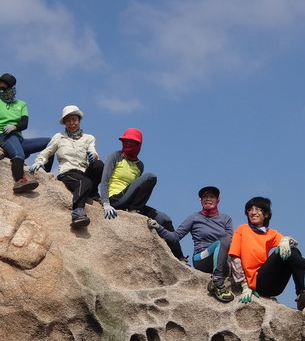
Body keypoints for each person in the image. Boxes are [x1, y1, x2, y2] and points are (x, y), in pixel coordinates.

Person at [227, 196, 305, 311]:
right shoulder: (242, 229)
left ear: (266, 214)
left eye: (258, 209)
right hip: (255, 283)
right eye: (250, 209)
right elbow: (235, 258)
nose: (253, 212)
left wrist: (286, 240)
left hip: (274, 285)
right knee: (282, 251)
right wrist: (244, 285)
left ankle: (301, 294)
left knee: (292, 249)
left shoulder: (270, 233)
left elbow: (292, 244)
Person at [97, 128, 181, 257]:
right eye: (126, 141)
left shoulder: (139, 165)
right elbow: (104, 180)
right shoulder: (115, 156)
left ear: (138, 145)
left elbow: (139, 189)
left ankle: (180, 257)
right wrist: (105, 202)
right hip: (115, 198)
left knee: (164, 219)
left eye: (131, 142)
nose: (128, 144)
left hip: (129, 201)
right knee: (150, 177)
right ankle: (134, 211)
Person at [150, 186, 235, 302]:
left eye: (212, 196)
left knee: (230, 241)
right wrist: (159, 227)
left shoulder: (226, 218)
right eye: (205, 197)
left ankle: (228, 281)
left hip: (221, 261)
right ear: (200, 200)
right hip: (201, 259)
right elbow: (175, 237)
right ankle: (217, 282)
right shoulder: (194, 218)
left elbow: (231, 240)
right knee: (222, 241)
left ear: (218, 199)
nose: (208, 199)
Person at [28, 105, 103, 228]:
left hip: (84, 171)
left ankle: (92, 193)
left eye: (74, 119)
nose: (71, 123)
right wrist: (39, 162)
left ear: (79, 120)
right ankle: (77, 212)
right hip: (68, 172)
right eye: (67, 120)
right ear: (64, 123)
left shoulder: (88, 138)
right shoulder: (59, 137)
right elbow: (47, 151)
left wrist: (94, 156)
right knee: (84, 182)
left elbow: (93, 151)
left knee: (99, 165)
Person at [0, 73, 49, 194]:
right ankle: (19, 181)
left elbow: (24, 124)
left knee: (50, 142)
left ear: (11, 88)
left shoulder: (21, 104)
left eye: (4, 88)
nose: (1, 90)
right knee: (18, 154)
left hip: (19, 138)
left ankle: (46, 172)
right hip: (4, 135)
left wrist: (15, 127)